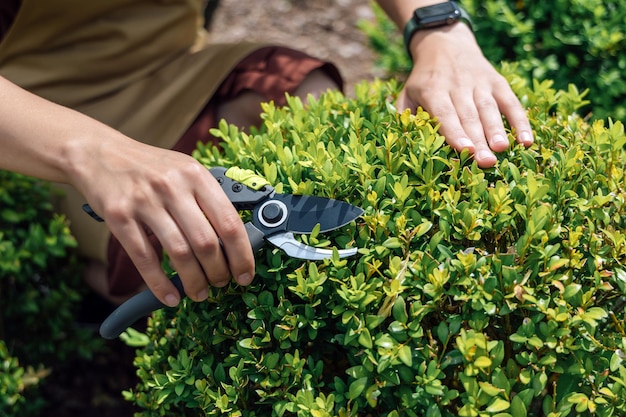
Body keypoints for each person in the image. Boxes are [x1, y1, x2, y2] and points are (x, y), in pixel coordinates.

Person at [0, 0, 533, 307]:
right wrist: (95, 153)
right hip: (28, 111)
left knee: (305, 95)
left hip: (168, 70)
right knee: (163, 261)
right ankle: (68, 282)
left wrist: (439, 29)